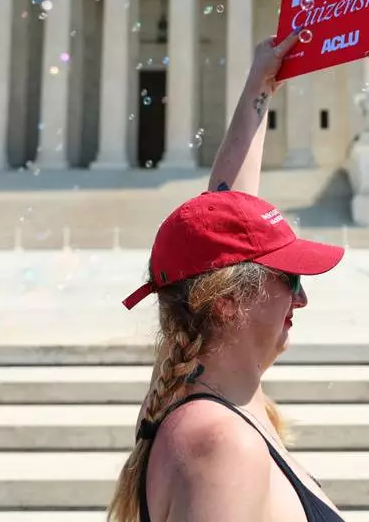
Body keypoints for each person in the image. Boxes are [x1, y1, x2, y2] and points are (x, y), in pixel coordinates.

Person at [109, 30, 349, 522]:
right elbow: (221, 238)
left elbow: (222, 221)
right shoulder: (219, 444)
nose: (301, 299)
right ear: (226, 302)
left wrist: (260, 88)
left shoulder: (200, 399)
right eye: (290, 279)